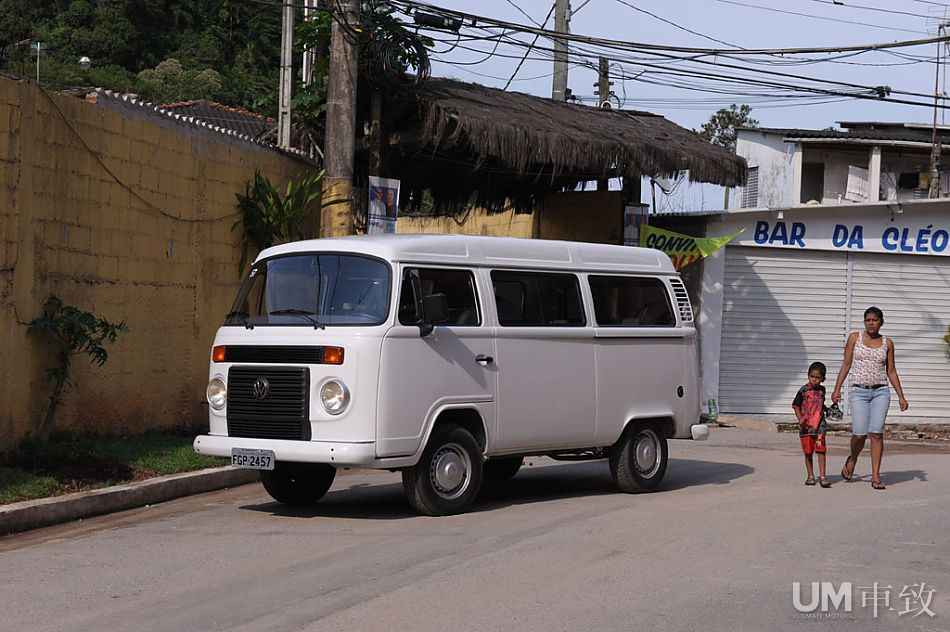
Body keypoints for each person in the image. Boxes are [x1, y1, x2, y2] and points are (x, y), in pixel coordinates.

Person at [832, 306, 909, 490]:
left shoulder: (887, 343)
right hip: (859, 392)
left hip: (880, 392)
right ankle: (853, 459)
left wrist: (901, 396)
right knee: (859, 434)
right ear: (864, 322)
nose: (871, 323)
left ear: (881, 322)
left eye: (875, 320)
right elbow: (846, 364)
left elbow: (891, 371)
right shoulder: (854, 338)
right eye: (868, 320)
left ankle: (875, 476)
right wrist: (837, 389)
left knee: (876, 433)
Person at [793, 362, 830, 488]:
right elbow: (796, 405)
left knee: (821, 451)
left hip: (820, 427)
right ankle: (810, 476)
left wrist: (828, 410)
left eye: (818, 377)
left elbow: (820, 405)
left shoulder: (822, 390)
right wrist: (800, 419)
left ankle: (823, 476)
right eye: (812, 376)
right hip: (806, 428)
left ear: (823, 379)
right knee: (808, 452)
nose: (814, 379)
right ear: (808, 376)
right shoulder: (803, 390)